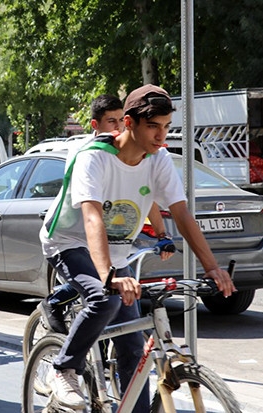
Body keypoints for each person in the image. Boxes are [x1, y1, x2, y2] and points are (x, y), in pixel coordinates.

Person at [39, 84, 236, 412]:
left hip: (114, 252)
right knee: (104, 299)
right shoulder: (94, 158)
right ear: (128, 123)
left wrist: (211, 267)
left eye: (167, 127)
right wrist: (109, 276)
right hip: (68, 242)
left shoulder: (157, 161)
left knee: (133, 348)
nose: (161, 136)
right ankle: (64, 369)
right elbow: (92, 220)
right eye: (153, 126)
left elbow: (181, 213)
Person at [37, 93, 171, 334]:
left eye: (121, 120)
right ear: (95, 125)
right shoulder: (85, 153)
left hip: (110, 241)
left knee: (125, 316)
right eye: (112, 121)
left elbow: (145, 195)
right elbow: (91, 212)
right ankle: (57, 306)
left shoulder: (133, 153)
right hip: (77, 237)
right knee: (103, 292)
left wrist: (163, 234)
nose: (119, 127)